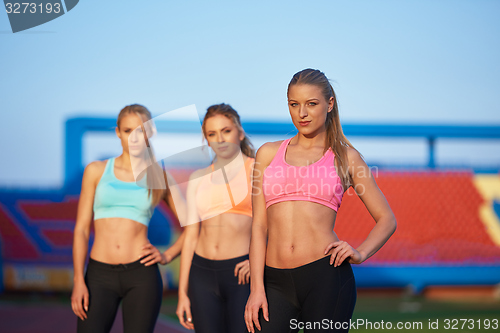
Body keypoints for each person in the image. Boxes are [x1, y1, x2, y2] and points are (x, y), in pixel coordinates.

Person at [244, 69, 397, 333]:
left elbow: (387, 219)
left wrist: (360, 253)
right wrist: (256, 288)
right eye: (294, 104)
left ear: (329, 104)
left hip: (326, 278)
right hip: (274, 283)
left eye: (311, 104)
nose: (302, 113)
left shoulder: (347, 158)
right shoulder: (267, 154)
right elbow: (259, 226)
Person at [71, 104, 186, 333]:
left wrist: (166, 255)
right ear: (118, 133)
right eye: (127, 130)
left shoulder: (160, 177)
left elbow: (193, 226)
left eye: (140, 130)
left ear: (150, 132)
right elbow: (81, 230)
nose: (133, 137)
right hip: (99, 275)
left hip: (142, 276)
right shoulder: (96, 170)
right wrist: (78, 280)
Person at [176, 103, 255, 333]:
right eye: (212, 134)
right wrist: (182, 293)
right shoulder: (197, 178)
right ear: (206, 140)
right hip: (201, 275)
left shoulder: (259, 171)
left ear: (240, 133)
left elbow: (273, 226)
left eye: (226, 131)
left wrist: (257, 261)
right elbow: (191, 236)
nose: (220, 139)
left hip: (242, 272)